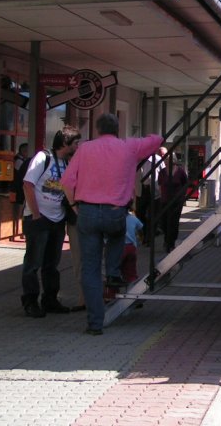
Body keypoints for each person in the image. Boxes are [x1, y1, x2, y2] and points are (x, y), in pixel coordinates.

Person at [61, 113, 163, 335]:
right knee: (118, 235)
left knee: (90, 269)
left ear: (97, 130)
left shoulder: (85, 149)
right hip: (116, 212)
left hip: (87, 211)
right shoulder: (129, 146)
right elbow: (157, 139)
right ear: (117, 129)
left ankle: (95, 323)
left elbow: (67, 181)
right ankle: (114, 271)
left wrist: (74, 205)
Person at [20, 126, 81, 318]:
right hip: (39, 219)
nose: (78, 146)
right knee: (33, 262)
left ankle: (50, 299)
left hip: (57, 219)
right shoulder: (42, 158)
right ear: (65, 143)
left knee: (52, 264)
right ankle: (30, 301)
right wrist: (36, 214)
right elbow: (28, 184)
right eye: (76, 143)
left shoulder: (68, 163)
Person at [158, 151, 189, 253]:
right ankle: (166, 240)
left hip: (176, 201)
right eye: (166, 159)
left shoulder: (180, 171)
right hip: (165, 200)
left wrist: (182, 196)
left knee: (174, 222)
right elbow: (159, 184)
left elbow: (185, 184)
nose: (167, 161)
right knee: (164, 222)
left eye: (169, 159)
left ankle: (171, 242)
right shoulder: (162, 172)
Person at [120, 204, 144, 284]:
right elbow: (140, 228)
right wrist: (141, 237)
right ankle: (132, 283)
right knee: (131, 268)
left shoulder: (115, 219)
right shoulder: (133, 218)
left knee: (117, 267)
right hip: (131, 247)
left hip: (120, 247)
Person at [11, 142, 29, 238]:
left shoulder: (23, 160)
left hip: (20, 189)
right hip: (17, 189)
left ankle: (20, 232)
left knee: (21, 210)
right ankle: (17, 232)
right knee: (19, 211)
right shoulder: (18, 161)